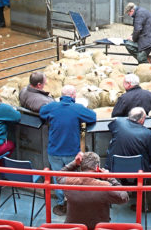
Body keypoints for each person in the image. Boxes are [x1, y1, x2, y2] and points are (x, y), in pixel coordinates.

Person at [39, 85, 97, 216]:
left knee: (57, 177)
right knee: (72, 177)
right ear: (73, 96)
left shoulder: (52, 106)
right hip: (71, 151)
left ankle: (61, 203)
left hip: (54, 150)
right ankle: (71, 202)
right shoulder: (77, 108)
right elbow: (93, 116)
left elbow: (42, 112)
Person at [58, 151, 129, 229]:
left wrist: (74, 163)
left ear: (81, 166)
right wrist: (110, 178)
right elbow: (124, 197)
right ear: (97, 168)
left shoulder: (68, 182)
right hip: (98, 228)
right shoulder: (104, 186)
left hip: (73, 228)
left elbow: (59, 176)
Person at [105, 107, 151, 172]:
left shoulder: (118, 122)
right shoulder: (148, 133)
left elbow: (111, 127)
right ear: (141, 120)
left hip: (114, 167)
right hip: (139, 170)